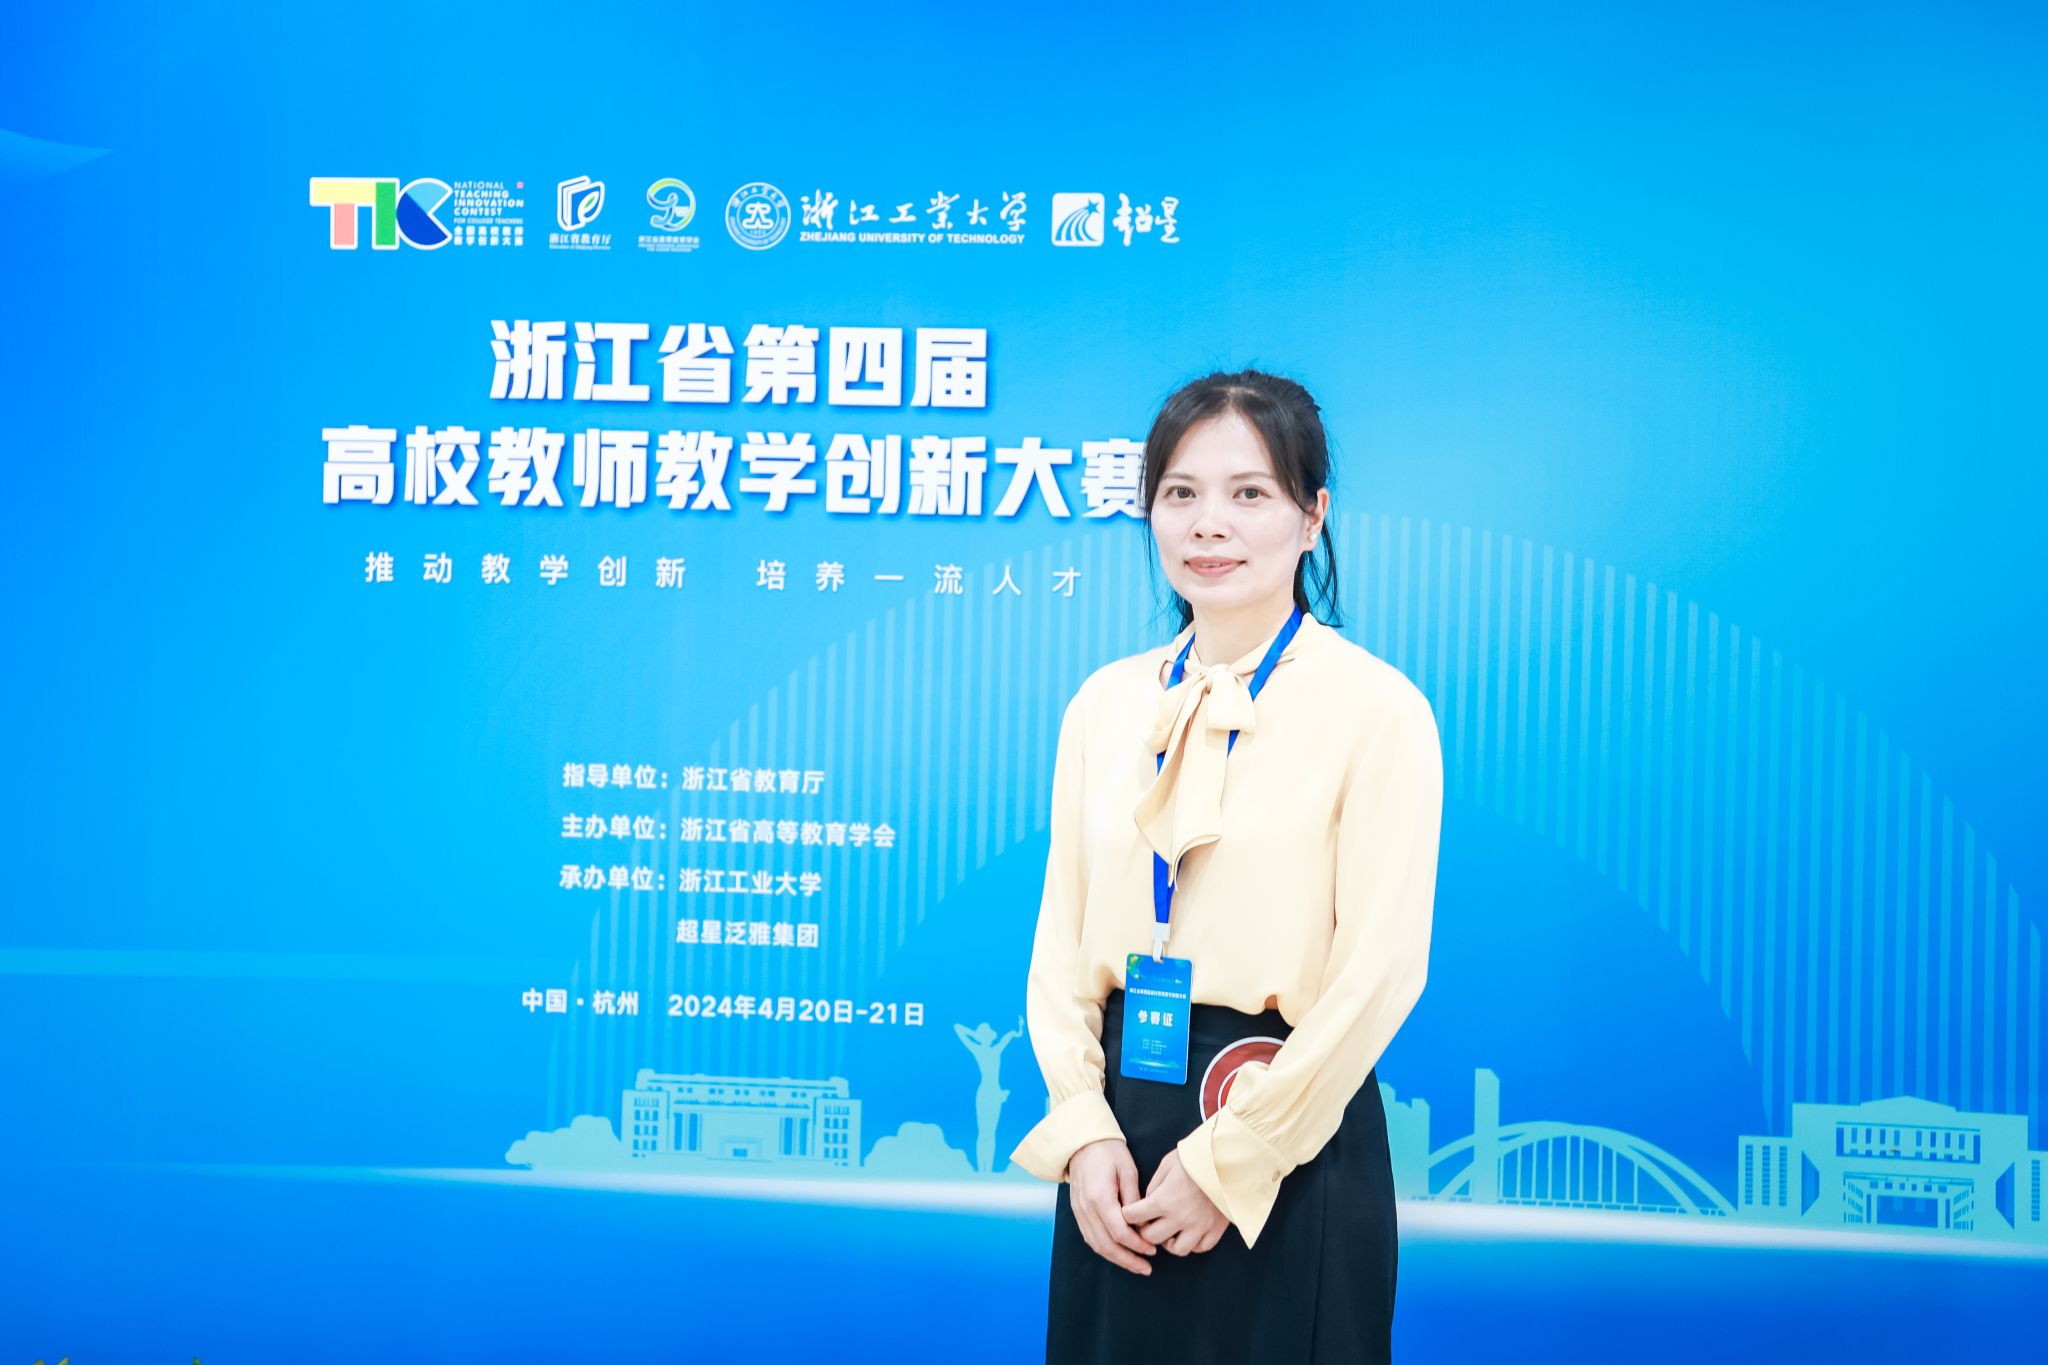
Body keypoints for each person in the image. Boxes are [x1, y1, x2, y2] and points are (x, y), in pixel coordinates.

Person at [1009, 369, 1443, 1363]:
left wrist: (1235, 1160)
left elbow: (1380, 973)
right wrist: (1082, 1130)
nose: (1209, 523)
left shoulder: (1376, 710)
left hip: (1285, 1124)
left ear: (1311, 514)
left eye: (1249, 492)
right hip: (1119, 1142)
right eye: (1180, 493)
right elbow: (1060, 947)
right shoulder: (1106, 704)